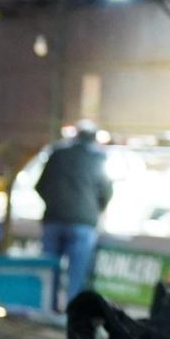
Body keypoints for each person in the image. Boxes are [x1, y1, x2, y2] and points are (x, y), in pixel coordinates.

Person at [33, 119, 113, 301]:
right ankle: (72, 309)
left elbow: (40, 185)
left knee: (49, 269)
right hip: (83, 222)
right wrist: (96, 210)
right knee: (77, 272)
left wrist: (53, 204)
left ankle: (48, 306)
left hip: (53, 219)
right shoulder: (98, 158)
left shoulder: (57, 154)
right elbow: (106, 191)